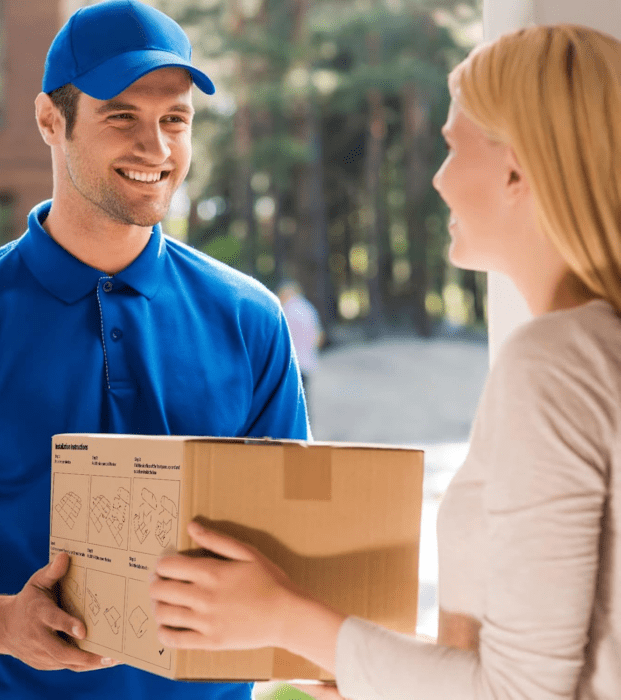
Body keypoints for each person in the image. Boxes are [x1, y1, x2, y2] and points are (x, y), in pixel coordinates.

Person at [150, 24, 621, 699]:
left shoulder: (554, 364)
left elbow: (520, 694)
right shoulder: (597, 349)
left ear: (518, 169)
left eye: (453, 147)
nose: (437, 177)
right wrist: (369, 668)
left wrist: (282, 614)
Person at [0, 2, 308, 699]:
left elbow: (291, 565)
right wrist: (2, 625)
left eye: (175, 119)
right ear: (50, 120)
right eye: (121, 117)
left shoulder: (250, 319)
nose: (156, 148)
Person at [277, 281, 324, 412]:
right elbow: (319, 336)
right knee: (303, 401)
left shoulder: (286, 311)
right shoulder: (308, 308)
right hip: (307, 362)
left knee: (290, 406)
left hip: (291, 364)